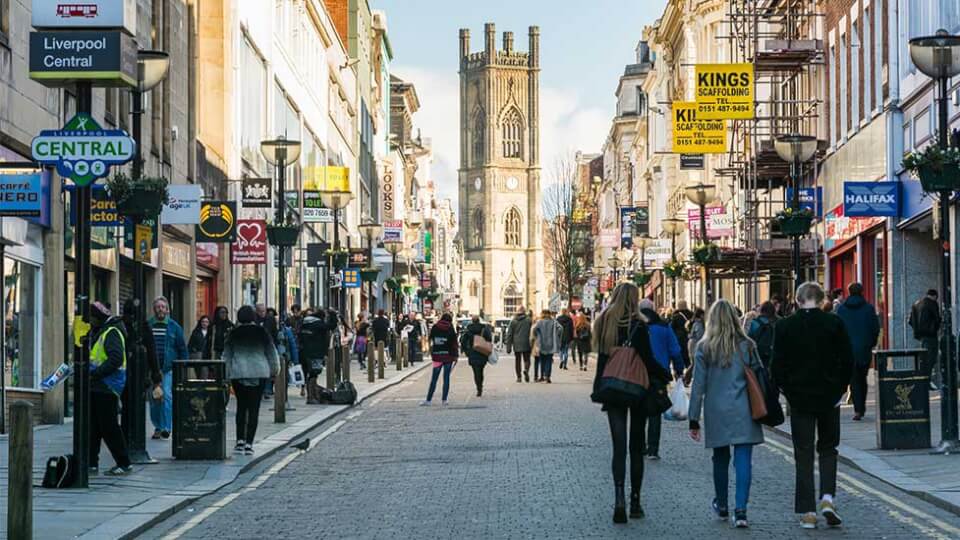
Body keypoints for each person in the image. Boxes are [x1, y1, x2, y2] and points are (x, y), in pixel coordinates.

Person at [772, 282, 853, 530]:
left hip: (800, 399)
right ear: (821, 300)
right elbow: (847, 360)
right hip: (828, 397)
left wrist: (787, 391)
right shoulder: (834, 323)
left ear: (797, 300)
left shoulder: (785, 326)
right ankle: (827, 498)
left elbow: (777, 366)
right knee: (828, 448)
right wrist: (840, 390)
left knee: (803, 453)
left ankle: (808, 512)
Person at [592, 283, 671, 523]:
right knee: (636, 448)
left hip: (613, 388)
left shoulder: (604, 323)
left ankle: (619, 500)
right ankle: (635, 501)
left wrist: (598, 387)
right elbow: (647, 360)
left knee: (618, 448)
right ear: (634, 299)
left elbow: (602, 359)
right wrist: (665, 375)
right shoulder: (638, 325)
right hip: (637, 389)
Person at [688, 299, 765, 529]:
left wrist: (693, 419)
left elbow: (698, 386)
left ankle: (722, 505)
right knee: (744, 460)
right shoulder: (747, 345)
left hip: (716, 410)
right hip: (744, 409)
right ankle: (740, 511)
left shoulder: (704, 347)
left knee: (720, 459)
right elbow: (760, 375)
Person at [223, 305, 279, 456]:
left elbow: (227, 355)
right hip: (259, 372)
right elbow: (272, 352)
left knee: (241, 407)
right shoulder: (262, 332)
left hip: (239, 373)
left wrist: (226, 374)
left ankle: (239, 441)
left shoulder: (233, 333)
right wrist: (274, 370)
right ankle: (249, 443)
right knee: (254, 408)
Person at [88, 301, 133, 476]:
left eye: (91, 318)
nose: (90, 321)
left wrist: (95, 373)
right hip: (99, 385)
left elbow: (115, 359)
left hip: (108, 386)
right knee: (94, 428)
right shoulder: (102, 331)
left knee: (109, 427)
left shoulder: (112, 332)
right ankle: (91, 463)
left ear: (98, 317)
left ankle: (124, 462)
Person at [638, 299, 683, 460]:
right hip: (659, 374)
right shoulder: (664, 326)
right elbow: (675, 350)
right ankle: (653, 449)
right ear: (654, 309)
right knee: (655, 411)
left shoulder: (636, 326)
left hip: (638, 374)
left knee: (639, 411)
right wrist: (679, 370)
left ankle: (640, 446)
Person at [835, 282, 881, 421]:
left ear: (849, 292)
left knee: (853, 380)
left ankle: (858, 409)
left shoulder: (842, 309)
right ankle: (861, 408)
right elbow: (875, 328)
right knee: (862, 378)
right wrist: (870, 343)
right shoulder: (868, 309)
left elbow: (838, 330)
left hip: (847, 350)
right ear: (861, 292)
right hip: (864, 350)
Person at [119, 298, 162, 437]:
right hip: (138, 374)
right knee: (136, 406)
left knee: (127, 406)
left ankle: (127, 433)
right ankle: (134, 435)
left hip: (123, 373)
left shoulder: (121, 325)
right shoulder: (143, 327)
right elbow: (152, 352)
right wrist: (156, 376)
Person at [148, 296, 188, 440]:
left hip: (167, 369)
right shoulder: (148, 325)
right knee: (154, 399)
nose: (160, 309)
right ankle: (158, 426)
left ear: (167, 310)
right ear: (154, 309)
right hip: (152, 370)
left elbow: (182, 348)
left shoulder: (174, 327)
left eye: (163, 307)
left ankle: (166, 428)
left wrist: (183, 366)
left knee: (166, 397)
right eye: (158, 307)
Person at [299, 309, 338, 403]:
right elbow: (331, 326)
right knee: (314, 373)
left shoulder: (304, 323)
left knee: (310, 373)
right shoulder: (318, 324)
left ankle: (313, 395)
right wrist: (333, 315)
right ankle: (311, 397)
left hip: (304, 352)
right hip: (315, 352)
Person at [422, 313, 459, 405]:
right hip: (448, 356)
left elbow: (430, 339)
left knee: (434, 378)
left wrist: (430, 351)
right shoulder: (450, 328)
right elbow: (454, 343)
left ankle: (428, 400)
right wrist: (456, 355)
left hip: (437, 355)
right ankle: (444, 400)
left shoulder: (435, 327)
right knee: (446, 378)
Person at [909, 289, 941, 390]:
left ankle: (922, 381)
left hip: (921, 337)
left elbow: (910, 321)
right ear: (934, 296)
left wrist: (917, 330)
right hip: (930, 336)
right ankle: (926, 382)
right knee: (930, 359)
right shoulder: (932, 304)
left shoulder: (917, 304)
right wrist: (935, 328)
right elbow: (937, 319)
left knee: (923, 359)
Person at [462, 315, 493, 396]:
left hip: (472, 352)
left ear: (472, 321)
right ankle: (480, 385)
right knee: (481, 370)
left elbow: (463, 341)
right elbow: (489, 339)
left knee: (475, 371)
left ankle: (478, 387)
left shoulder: (468, 329)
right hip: (482, 352)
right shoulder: (484, 328)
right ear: (479, 320)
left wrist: (466, 351)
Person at [532, 310, 562, 383]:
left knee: (542, 360)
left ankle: (542, 376)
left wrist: (537, 335)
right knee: (549, 360)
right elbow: (561, 328)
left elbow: (534, 329)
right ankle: (547, 376)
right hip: (551, 343)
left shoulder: (540, 322)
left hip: (541, 343)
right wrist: (557, 335)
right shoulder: (554, 322)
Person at [505, 307, 533, 382]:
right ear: (524, 312)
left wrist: (508, 346)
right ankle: (526, 370)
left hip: (516, 344)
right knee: (527, 359)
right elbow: (533, 332)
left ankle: (519, 377)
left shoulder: (513, 321)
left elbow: (509, 334)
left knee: (517, 360)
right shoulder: (529, 320)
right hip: (527, 342)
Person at [747, 301, 777, 368]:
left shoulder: (753, 323)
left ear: (761, 310)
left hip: (755, 357)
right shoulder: (775, 325)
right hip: (768, 358)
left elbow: (747, 341)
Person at [670, 300, 694, 369]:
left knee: (680, 356)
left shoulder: (675, 316)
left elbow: (672, 328)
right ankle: (689, 371)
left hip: (679, 339)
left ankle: (680, 373)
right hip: (689, 338)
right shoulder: (691, 314)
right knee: (688, 357)